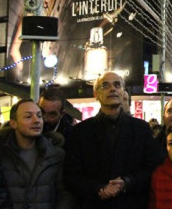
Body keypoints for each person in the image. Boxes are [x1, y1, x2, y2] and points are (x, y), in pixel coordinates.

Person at [64, 71, 161, 209]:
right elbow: (71, 176)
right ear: (96, 94)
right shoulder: (80, 132)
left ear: (123, 92)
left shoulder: (141, 129)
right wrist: (99, 189)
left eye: (117, 85)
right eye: (105, 85)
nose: (112, 89)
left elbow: (151, 168)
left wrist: (127, 182)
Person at [0, 99, 74, 209]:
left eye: (39, 116)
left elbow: (65, 193)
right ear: (13, 123)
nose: (36, 120)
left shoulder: (55, 155)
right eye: (28, 117)